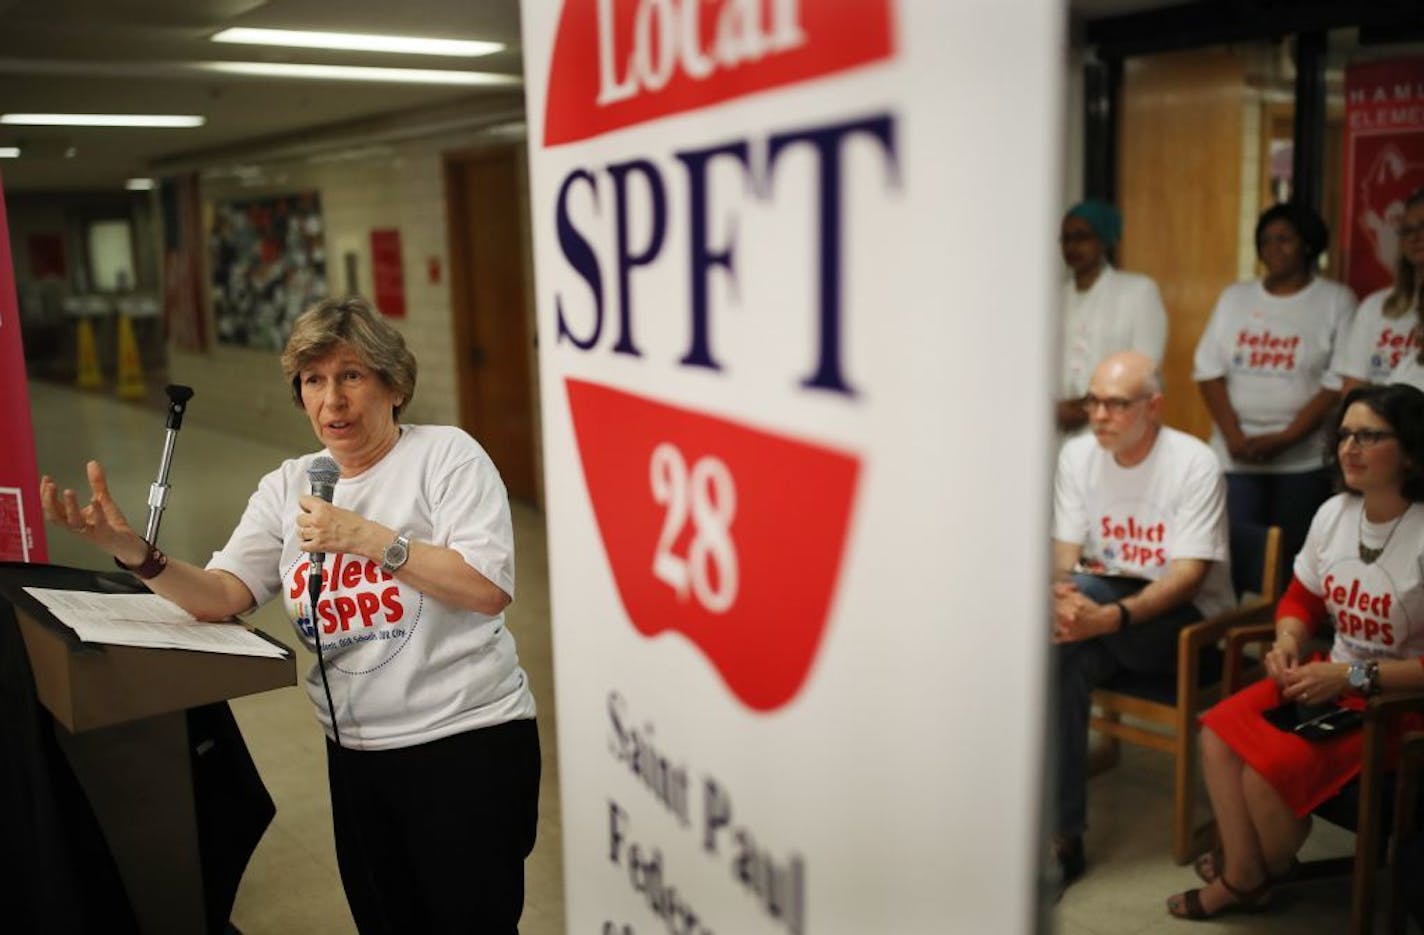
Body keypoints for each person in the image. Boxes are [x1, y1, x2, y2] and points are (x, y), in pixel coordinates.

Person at [40, 295, 540, 934]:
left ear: (394, 385)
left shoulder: (446, 457)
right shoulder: (291, 484)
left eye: (351, 376)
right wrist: (139, 556)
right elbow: (223, 593)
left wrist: (365, 537)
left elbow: (485, 586)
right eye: (313, 381)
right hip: (356, 753)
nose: (332, 401)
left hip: (465, 745)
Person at [1165, 383, 1424, 921]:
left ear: (1412, 451)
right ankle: (1248, 871)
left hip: (1394, 706)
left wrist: (1352, 677)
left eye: (1370, 436)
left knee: (1265, 771)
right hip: (1330, 679)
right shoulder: (1334, 512)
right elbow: (1302, 597)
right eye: (1346, 434)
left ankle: (1246, 876)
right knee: (1216, 729)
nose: (1350, 447)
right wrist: (1286, 639)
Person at [1050, 350, 1235, 889]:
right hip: (1097, 613)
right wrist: (1065, 602)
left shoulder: (1193, 461)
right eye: (1092, 401)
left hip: (1181, 626)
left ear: (1153, 406)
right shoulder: (1078, 456)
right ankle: (1064, 832)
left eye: (1116, 404)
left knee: (1069, 619)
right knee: (1062, 647)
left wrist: (1107, 615)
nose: (1099, 415)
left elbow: (1188, 578)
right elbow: (1064, 555)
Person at [1192, 202, 1357, 566]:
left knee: (1294, 560)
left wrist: (1285, 438)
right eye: (1265, 241)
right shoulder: (1235, 297)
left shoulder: (1335, 300)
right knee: (1233, 557)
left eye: (1285, 239)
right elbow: (1208, 371)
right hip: (1236, 456)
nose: (1273, 249)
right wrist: (1234, 436)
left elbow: (1338, 381)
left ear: (1309, 245)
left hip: (1303, 459)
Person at [1056, 199, 1168, 433]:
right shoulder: (1051, 298)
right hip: (1056, 427)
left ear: (1104, 240)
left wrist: (1088, 406)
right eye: (1066, 239)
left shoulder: (1138, 291)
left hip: (1117, 425)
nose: (1072, 246)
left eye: (1082, 237)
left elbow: (1144, 366)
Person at [1338, 187, 1424, 392]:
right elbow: (1353, 387)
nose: (1415, 237)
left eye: (1423, 227)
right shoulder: (1376, 305)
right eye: (1407, 231)